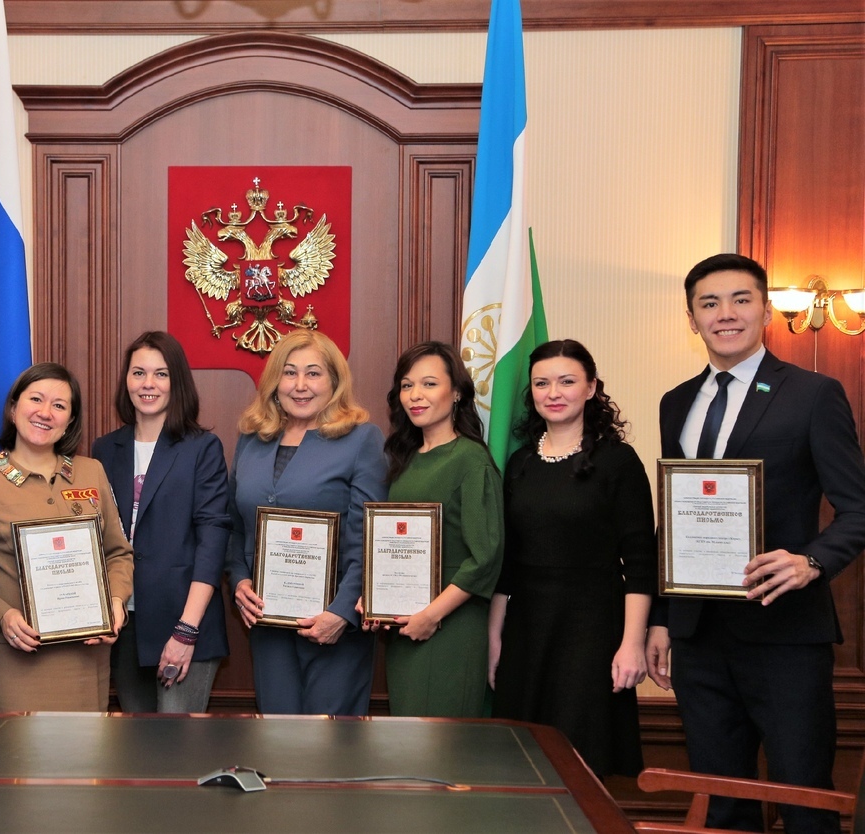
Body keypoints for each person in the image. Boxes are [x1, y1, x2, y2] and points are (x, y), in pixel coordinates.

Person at [646, 254, 865, 833]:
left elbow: (858, 509)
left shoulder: (813, 394)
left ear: (766, 311)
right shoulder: (676, 402)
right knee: (721, 803)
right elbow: (676, 516)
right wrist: (662, 619)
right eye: (709, 303)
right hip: (698, 638)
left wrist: (812, 561)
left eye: (741, 300)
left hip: (785, 632)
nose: (726, 314)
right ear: (692, 319)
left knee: (803, 798)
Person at [489, 339, 655, 778]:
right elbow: (507, 565)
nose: (553, 393)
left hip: (592, 631)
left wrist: (632, 644)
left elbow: (641, 562)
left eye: (566, 381)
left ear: (591, 387)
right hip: (526, 630)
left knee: (581, 761)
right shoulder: (520, 463)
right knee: (520, 762)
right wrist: (494, 638)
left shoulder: (618, 462)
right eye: (541, 383)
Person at [228, 330, 387, 716]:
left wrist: (342, 612)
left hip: (334, 627)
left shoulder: (361, 440)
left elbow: (368, 538)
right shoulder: (252, 439)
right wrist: (239, 581)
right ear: (274, 382)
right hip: (268, 623)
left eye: (313, 373)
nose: (300, 385)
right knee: (276, 737)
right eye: (289, 373)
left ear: (334, 381)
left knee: (329, 743)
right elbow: (234, 526)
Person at [92, 332, 231, 713]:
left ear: (177, 381)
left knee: (177, 741)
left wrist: (186, 629)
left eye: (161, 374)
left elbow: (212, 541)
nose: (147, 384)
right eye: (138, 373)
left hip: (183, 619)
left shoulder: (201, 448)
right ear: (126, 380)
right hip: (123, 624)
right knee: (135, 742)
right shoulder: (105, 449)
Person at [0, 362, 134, 712]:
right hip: (20, 652)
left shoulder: (91, 472)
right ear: (13, 408)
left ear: (70, 420)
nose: (45, 412)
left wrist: (115, 603)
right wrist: (1, 615)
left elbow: (118, 553)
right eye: (36, 399)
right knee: (26, 745)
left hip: (87, 653)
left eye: (59, 405)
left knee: (87, 745)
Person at [362, 341, 503, 717]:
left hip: (450, 627)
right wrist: (374, 597)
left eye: (429, 384)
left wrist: (432, 615)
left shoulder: (471, 460)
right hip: (406, 630)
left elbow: (485, 558)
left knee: (442, 743)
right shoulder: (405, 460)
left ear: (456, 392)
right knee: (409, 740)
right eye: (407, 385)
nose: (415, 395)